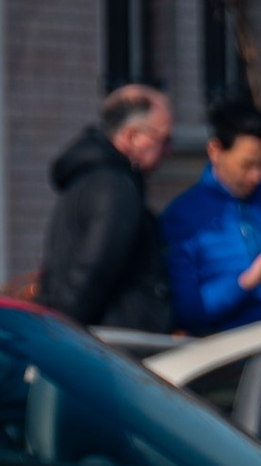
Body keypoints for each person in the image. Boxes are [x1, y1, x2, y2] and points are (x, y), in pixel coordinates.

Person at [161, 94, 261, 335]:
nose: (256, 175)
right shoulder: (183, 216)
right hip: (225, 356)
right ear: (215, 151)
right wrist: (249, 280)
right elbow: (188, 312)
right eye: (247, 165)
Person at [40, 85, 175, 331]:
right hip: (113, 344)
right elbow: (91, 271)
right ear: (131, 136)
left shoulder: (90, 179)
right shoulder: (116, 187)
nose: (169, 151)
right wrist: (64, 330)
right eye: (163, 139)